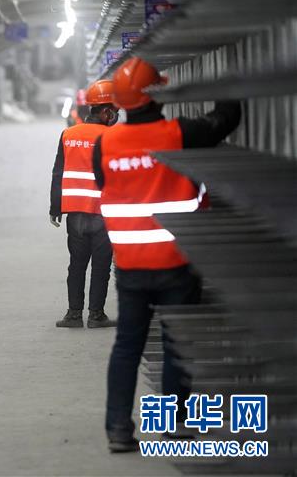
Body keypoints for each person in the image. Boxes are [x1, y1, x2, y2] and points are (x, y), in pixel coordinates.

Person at [94, 57, 241, 452]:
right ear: (156, 95)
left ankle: (119, 430)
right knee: (177, 342)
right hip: (177, 260)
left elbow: (107, 183)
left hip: (130, 264)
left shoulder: (104, 144)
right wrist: (224, 81)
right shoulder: (179, 133)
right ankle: (174, 425)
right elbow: (223, 121)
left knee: (127, 346)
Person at [50, 79, 118, 329]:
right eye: (115, 112)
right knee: (101, 266)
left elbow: (58, 172)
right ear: (106, 111)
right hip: (102, 214)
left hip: (75, 214)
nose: (116, 116)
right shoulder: (112, 137)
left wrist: (54, 207)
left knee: (77, 265)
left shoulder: (68, 134)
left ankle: (73, 314)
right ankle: (96, 315)